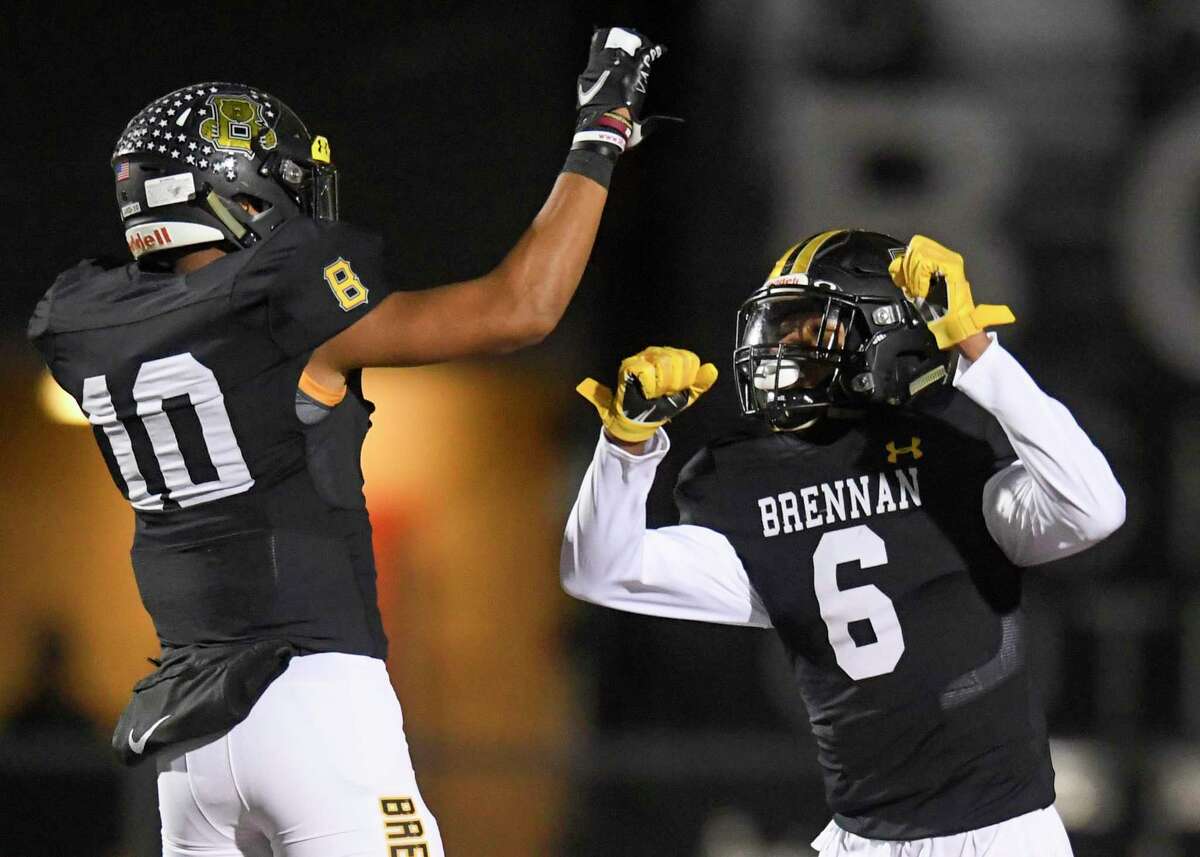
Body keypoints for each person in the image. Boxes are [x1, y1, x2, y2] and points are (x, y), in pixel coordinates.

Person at [28, 26, 668, 857]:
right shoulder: (276, 293)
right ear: (235, 192)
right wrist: (602, 133)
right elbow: (523, 308)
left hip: (185, 739)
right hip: (312, 703)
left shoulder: (86, 318)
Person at [561, 230, 1126, 856]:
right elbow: (600, 570)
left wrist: (977, 350)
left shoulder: (950, 452)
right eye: (778, 328)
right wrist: (627, 442)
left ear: (882, 332)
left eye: (806, 329)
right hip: (861, 839)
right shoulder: (754, 481)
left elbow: (1094, 508)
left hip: (1000, 833)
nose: (778, 349)